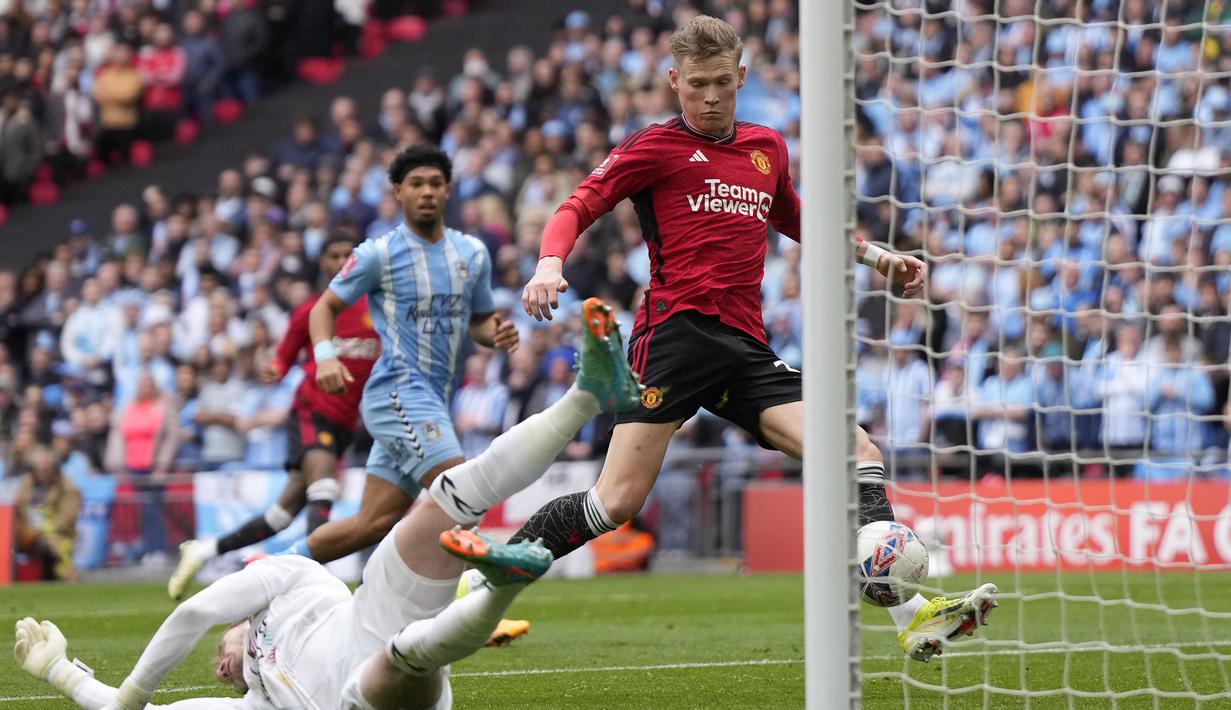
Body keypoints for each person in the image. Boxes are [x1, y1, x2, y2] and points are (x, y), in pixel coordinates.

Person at [513, 14, 995, 661]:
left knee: (854, 449)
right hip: (674, 340)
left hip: (743, 347)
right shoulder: (652, 148)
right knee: (616, 500)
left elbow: (801, 219)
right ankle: (481, 578)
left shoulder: (766, 146)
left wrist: (877, 257)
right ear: (672, 81)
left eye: (720, 83)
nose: (708, 97)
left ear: (740, 77)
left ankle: (909, 608)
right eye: (694, 85)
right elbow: (579, 204)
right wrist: (550, 263)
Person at [13, 299, 641, 710]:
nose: (220, 667)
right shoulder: (250, 705)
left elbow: (196, 612)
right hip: (354, 693)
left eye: (223, 655)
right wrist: (61, 672)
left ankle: (587, 396)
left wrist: (127, 696)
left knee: (446, 500)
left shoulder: (287, 578)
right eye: (220, 669)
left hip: (371, 609)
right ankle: (498, 585)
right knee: (402, 659)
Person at [289, 143, 522, 565]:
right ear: (398, 191)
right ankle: (478, 599)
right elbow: (324, 307)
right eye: (416, 184)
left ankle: (267, 575)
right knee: (461, 488)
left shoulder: (472, 253)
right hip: (396, 391)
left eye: (435, 183)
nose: (427, 192)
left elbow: (479, 321)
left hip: (432, 400)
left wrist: (496, 333)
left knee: (370, 524)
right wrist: (325, 356)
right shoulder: (376, 254)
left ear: (448, 190)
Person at [168, 236, 379, 600]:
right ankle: (317, 584)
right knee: (325, 488)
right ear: (324, 263)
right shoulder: (314, 310)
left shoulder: (374, 310)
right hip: (312, 412)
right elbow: (283, 357)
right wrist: (274, 368)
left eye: (350, 255)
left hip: (345, 422)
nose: (343, 260)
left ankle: (203, 551)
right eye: (335, 254)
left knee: (281, 515)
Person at [14, 446, 81, 581]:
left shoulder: (67, 487)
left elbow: (67, 518)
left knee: (45, 544)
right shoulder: (26, 483)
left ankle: (53, 576)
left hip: (55, 534)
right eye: (39, 466)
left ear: (54, 467)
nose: (42, 470)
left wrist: (42, 528)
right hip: (26, 531)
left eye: (46, 466)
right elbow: (18, 510)